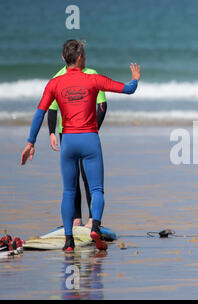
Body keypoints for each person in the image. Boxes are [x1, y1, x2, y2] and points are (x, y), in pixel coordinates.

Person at [21, 39, 141, 251]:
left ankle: (69, 242)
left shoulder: (54, 83)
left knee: (68, 191)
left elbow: (40, 113)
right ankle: (95, 226)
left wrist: (31, 142)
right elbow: (128, 90)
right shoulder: (93, 79)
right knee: (96, 189)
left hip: (68, 141)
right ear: (80, 58)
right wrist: (135, 79)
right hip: (89, 140)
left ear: (63, 59)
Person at [48, 64, 108, 228]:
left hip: (82, 133)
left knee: (88, 175)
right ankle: (76, 219)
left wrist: (94, 129)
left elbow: (101, 106)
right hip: (66, 133)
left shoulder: (91, 74)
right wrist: (51, 132)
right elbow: (52, 109)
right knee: (72, 178)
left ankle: (91, 219)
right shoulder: (58, 77)